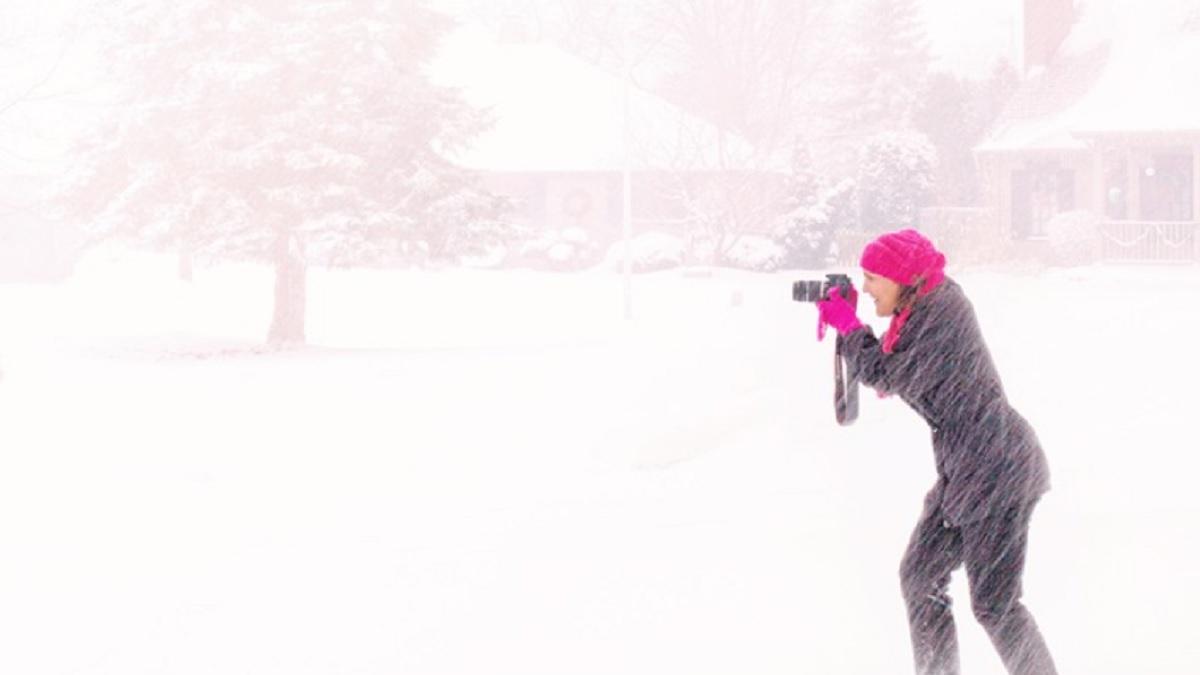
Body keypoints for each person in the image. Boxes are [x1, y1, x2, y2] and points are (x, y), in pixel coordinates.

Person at [814, 229, 1057, 675]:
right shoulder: (927, 304)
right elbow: (895, 366)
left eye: (872, 278)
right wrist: (851, 326)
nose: (865, 288)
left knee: (996, 606)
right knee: (920, 576)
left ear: (902, 278)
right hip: (968, 470)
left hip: (996, 469)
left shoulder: (940, 314)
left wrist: (849, 327)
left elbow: (886, 375)